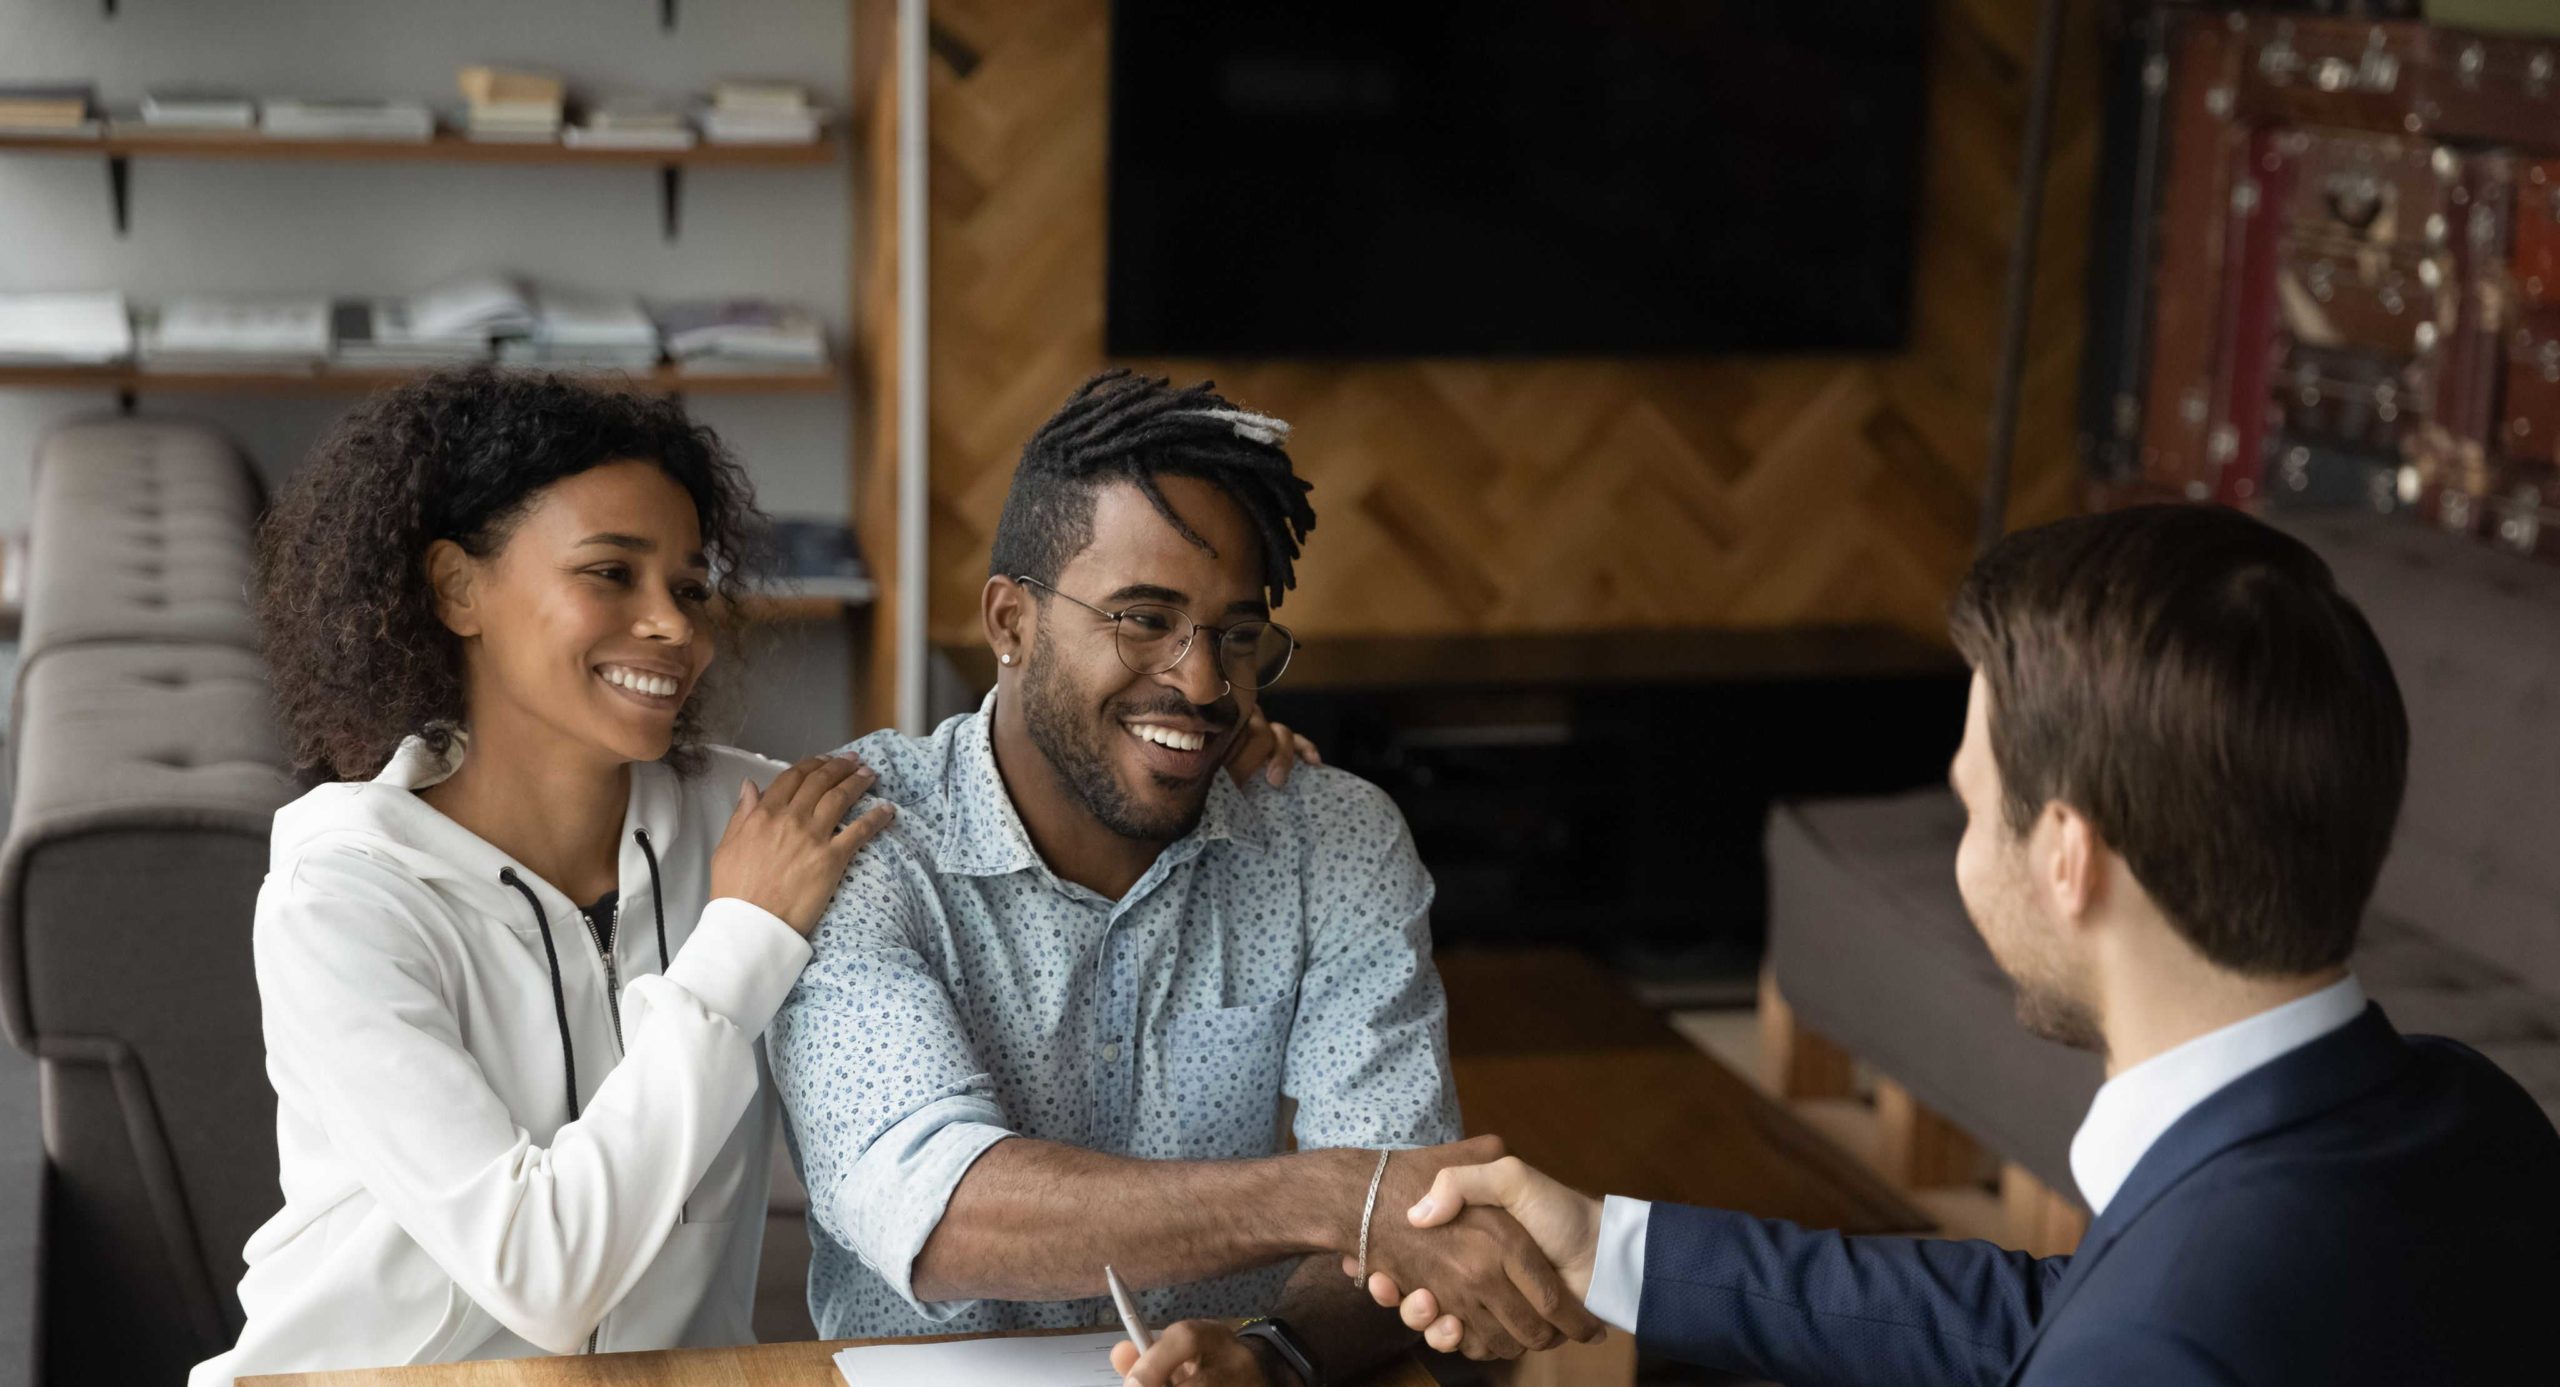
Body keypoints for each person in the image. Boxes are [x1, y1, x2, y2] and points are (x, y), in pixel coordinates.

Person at [1337, 505, 2560, 1387]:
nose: (1963, 847)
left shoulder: (2162, 1336)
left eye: (1973, 806)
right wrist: (1606, 1248)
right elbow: (2047, 1317)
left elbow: (2110, 1334)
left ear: (2068, 857)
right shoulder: (2472, 1113)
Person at [768, 371, 1603, 1387]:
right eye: (1141, 619)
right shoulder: (861, 840)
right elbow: (935, 1214)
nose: (1202, 682)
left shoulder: (1328, 840)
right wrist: (1334, 1195)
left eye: (1235, 634)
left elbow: (1405, 1227)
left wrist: (1276, 1353)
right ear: (1010, 623)